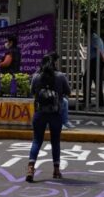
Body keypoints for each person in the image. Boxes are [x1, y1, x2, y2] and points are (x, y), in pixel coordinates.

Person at [26, 53, 71, 182]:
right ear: (54, 64)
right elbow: (68, 91)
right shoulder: (60, 76)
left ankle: (30, 168)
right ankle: (56, 170)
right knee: (55, 142)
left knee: (36, 141)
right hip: (55, 113)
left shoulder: (36, 77)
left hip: (39, 113)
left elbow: (32, 92)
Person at [83, 31, 104, 108]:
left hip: (95, 61)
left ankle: (88, 101)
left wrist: (103, 58)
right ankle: (97, 101)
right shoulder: (97, 38)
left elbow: (97, 49)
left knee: (87, 80)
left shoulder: (94, 38)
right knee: (95, 80)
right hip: (96, 61)